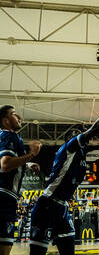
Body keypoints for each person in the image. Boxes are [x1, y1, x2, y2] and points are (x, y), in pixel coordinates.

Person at [29, 82, 99, 255]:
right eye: (77, 131)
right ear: (69, 137)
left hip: (62, 207)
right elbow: (95, 128)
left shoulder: (79, 155)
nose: (82, 133)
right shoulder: (69, 147)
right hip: (48, 204)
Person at [0, 105, 41, 255]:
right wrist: (31, 154)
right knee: (4, 247)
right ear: (6, 121)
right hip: (4, 196)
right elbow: (5, 165)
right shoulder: (8, 135)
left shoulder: (8, 137)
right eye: (14, 114)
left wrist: (28, 164)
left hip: (6, 196)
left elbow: (10, 161)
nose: (19, 117)